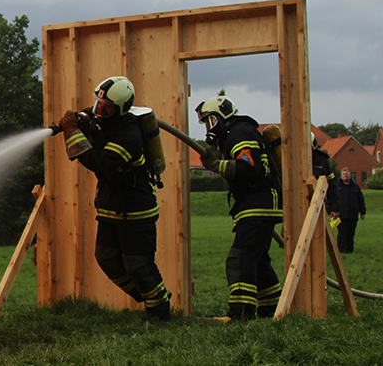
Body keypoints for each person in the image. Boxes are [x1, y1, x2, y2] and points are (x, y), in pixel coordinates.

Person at [60, 76, 170, 321]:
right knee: (106, 259)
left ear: (120, 110)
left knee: (138, 265)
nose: (100, 110)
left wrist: (72, 132)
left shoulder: (129, 134)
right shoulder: (105, 121)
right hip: (111, 205)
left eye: (106, 107)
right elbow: (95, 124)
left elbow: (100, 162)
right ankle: (147, 294)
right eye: (98, 104)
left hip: (135, 208)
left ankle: (160, 310)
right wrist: (79, 119)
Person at [195, 95, 282, 321]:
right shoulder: (236, 133)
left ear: (222, 117)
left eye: (210, 121)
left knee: (240, 258)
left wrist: (215, 165)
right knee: (258, 258)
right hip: (259, 202)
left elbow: (250, 169)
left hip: (258, 203)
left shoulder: (239, 133)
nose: (208, 128)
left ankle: (240, 313)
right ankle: (271, 307)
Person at [328, 168, 366, 253]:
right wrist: (331, 211)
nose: (346, 175)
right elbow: (331, 200)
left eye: (347, 174)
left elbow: (361, 200)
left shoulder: (356, 187)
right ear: (341, 176)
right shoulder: (337, 187)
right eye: (344, 174)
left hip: (352, 214)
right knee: (342, 233)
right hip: (341, 214)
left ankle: (350, 250)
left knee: (351, 233)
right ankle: (341, 250)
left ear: (350, 175)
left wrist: (362, 212)